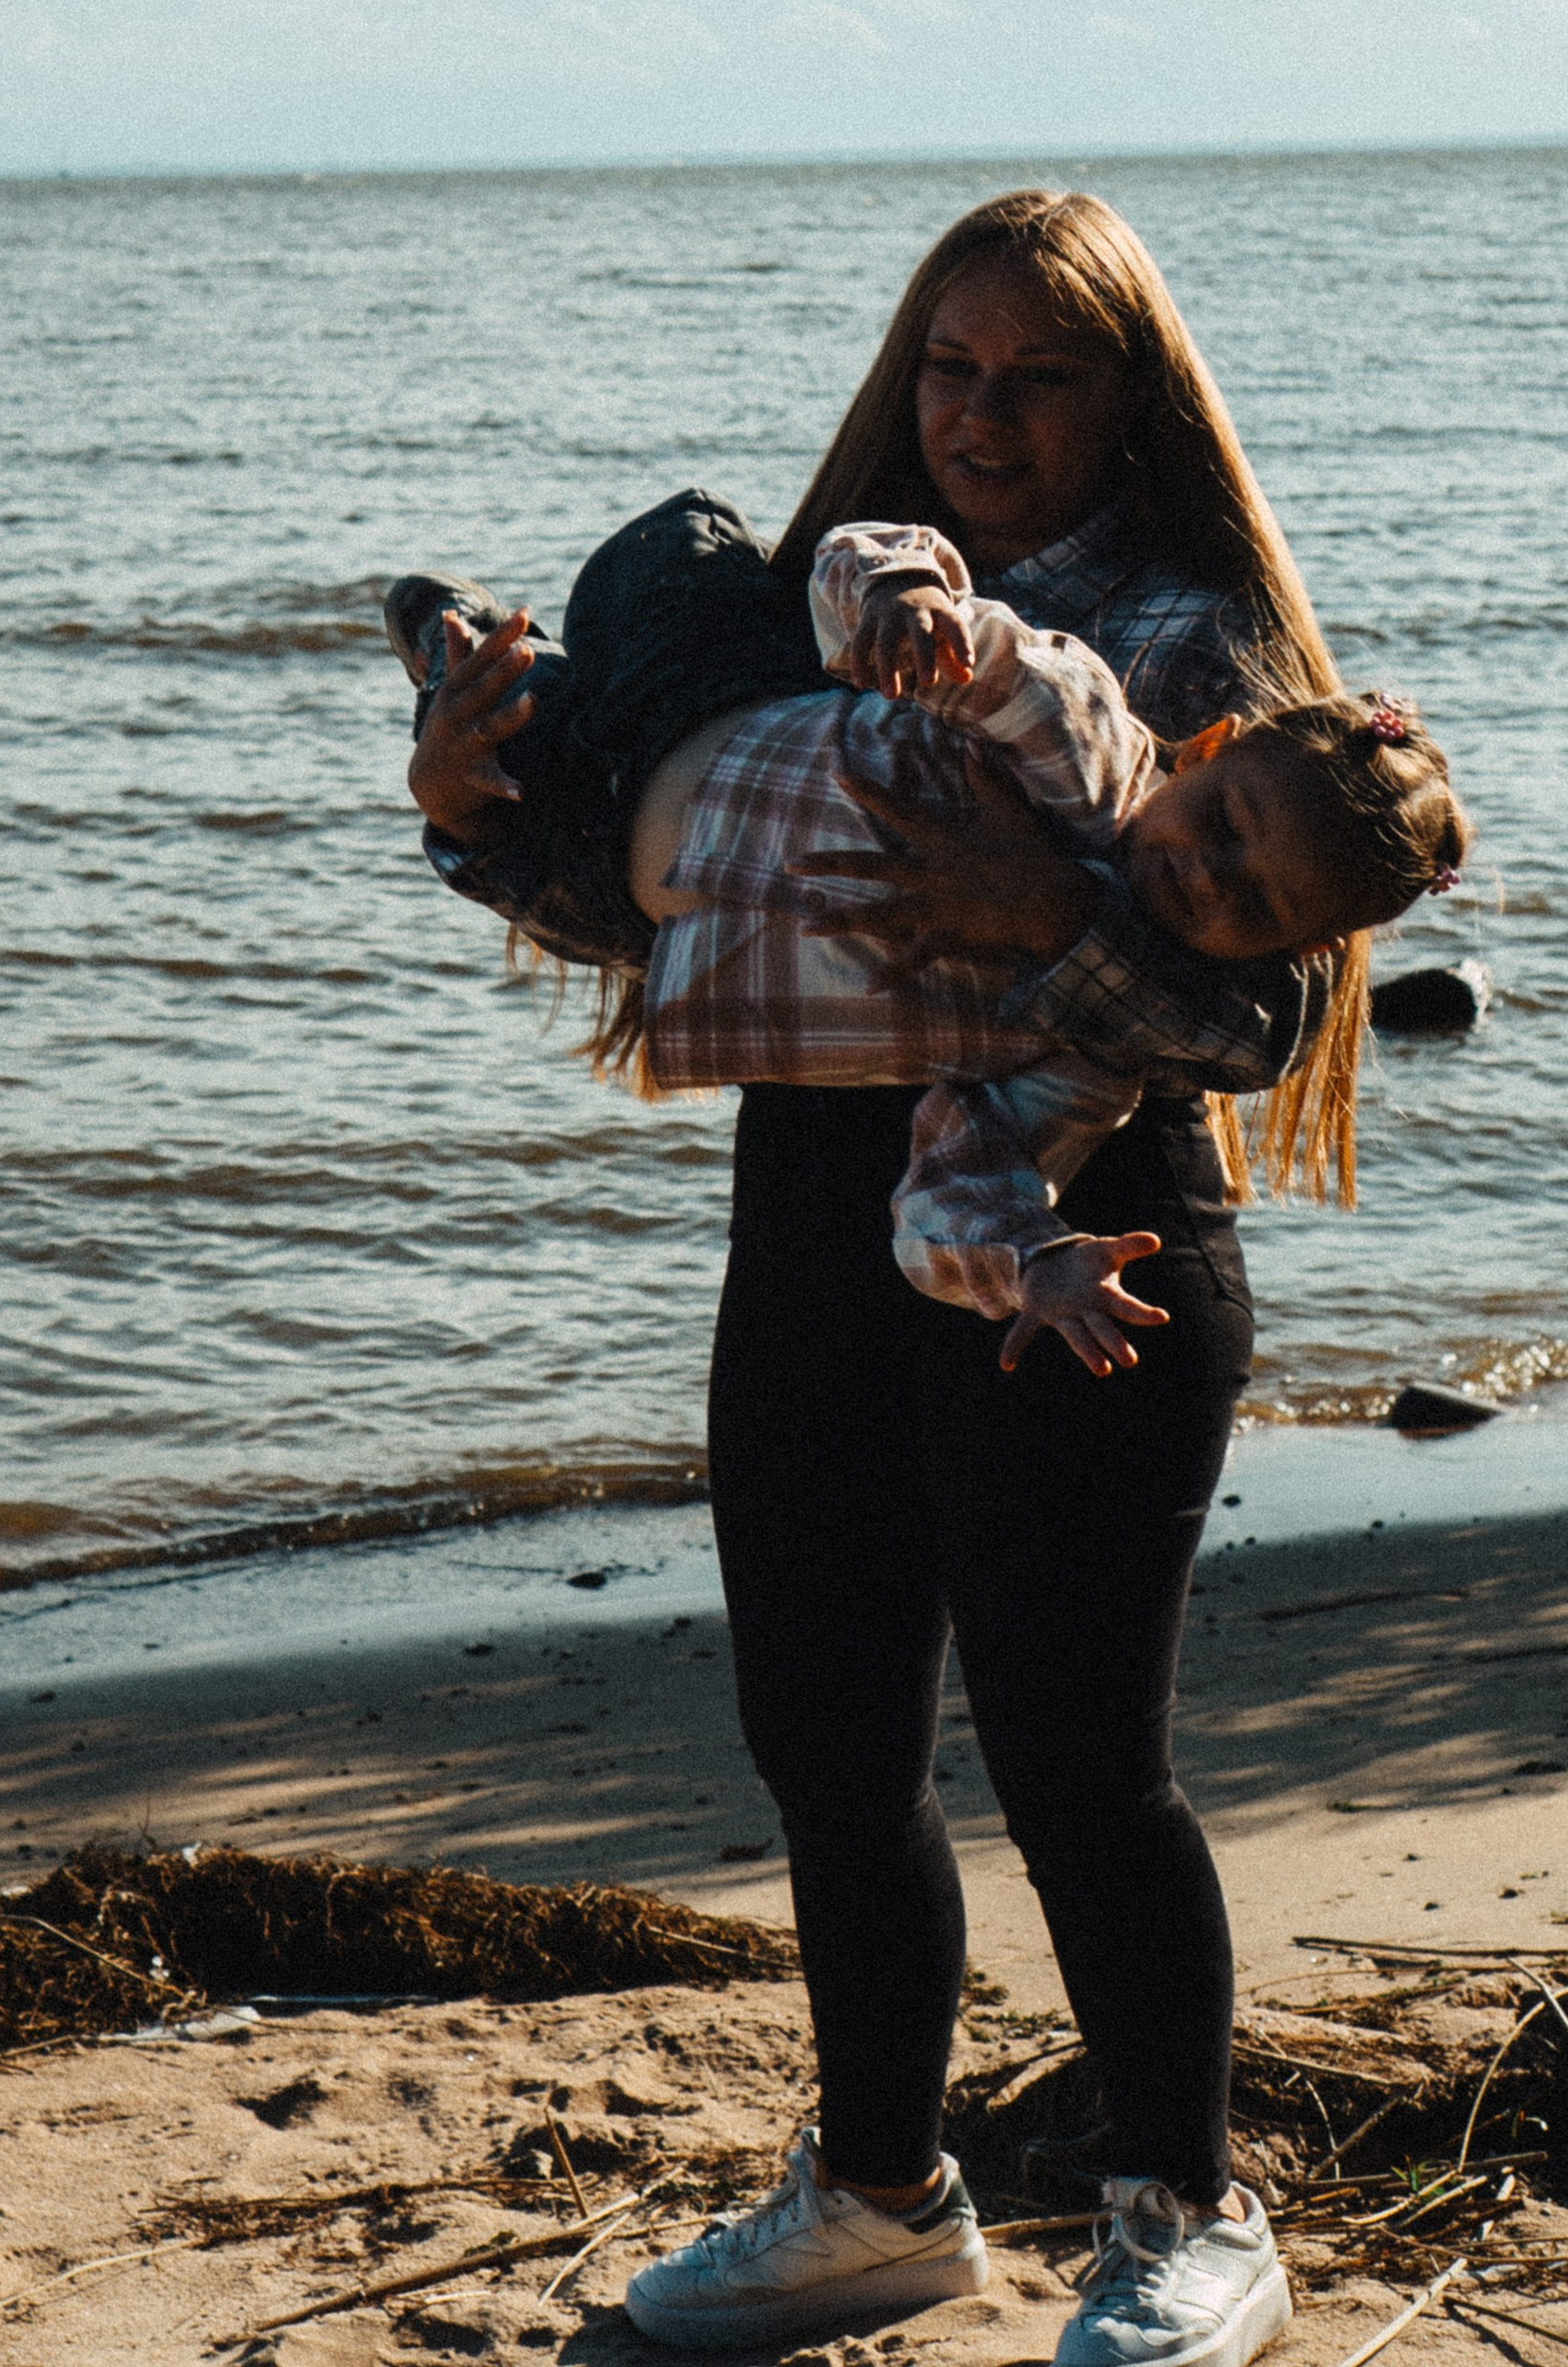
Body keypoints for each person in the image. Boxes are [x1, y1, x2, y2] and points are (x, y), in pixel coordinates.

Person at [408, 192, 1372, 2367]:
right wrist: (474, 811)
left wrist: (1053, 892)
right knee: (824, 1734)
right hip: (822, 1206)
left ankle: (1186, 2208)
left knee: (1070, 1751)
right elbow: (675, 901)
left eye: (1037, 373)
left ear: (1128, 393)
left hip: (1090, 1215)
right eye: (949, 365)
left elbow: (1270, 1011)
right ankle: (871, 2194)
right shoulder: (814, 597)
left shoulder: (1190, 629)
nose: (982, 413)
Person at [386, 502, 1464, 1370]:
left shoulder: (1089, 1058)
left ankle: (453, 648)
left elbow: (957, 1187)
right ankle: (463, 637)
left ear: (1303, 952)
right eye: (1226, 823)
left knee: (500, 742)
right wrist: (904, 592)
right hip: (699, 697)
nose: (1206, 876)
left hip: (611, 869)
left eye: (1261, 905)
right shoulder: (1073, 728)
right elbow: (891, 573)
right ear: (1213, 744)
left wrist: (1033, 1261)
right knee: (675, 552)